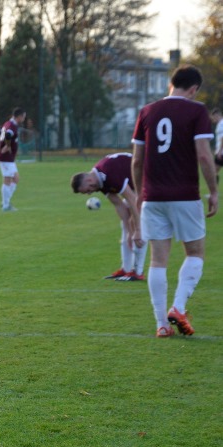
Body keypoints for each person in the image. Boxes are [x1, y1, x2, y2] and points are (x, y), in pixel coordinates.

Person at [131, 64, 218, 338]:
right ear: (193, 89)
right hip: (185, 195)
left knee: (158, 260)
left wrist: (139, 193)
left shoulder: (147, 111)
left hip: (153, 197)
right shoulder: (196, 111)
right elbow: (204, 156)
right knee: (195, 253)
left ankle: (161, 324)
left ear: (172, 84)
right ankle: (178, 307)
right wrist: (214, 190)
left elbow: (136, 160)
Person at [71, 152, 147, 281]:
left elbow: (133, 200)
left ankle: (137, 272)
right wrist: (128, 230)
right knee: (126, 226)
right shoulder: (99, 182)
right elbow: (119, 205)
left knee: (138, 225)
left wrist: (136, 230)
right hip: (135, 189)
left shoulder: (109, 174)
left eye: (88, 190)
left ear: (89, 180)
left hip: (149, 181)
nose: (90, 193)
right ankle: (126, 269)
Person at [0, 107, 26, 212]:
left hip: (8, 158)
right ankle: (5, 205)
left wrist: (1, 144)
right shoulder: (11, 126)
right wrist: (7, 146)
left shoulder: (8, 124)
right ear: (19, 116)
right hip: (6, 158)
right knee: (8, 179)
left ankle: (6, 202)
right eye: (23, 117)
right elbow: (8, 134)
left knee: (16, 179)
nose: (24, 119)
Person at [211, 107, 223, 180]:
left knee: (214, 171)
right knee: (214, 171)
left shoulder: (222, 124)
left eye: (213, 117)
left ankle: (214, 191)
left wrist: (219, 151)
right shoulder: (219, 124)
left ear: (216, 115)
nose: (213, 119)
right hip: (220, 151)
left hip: (221, 152)